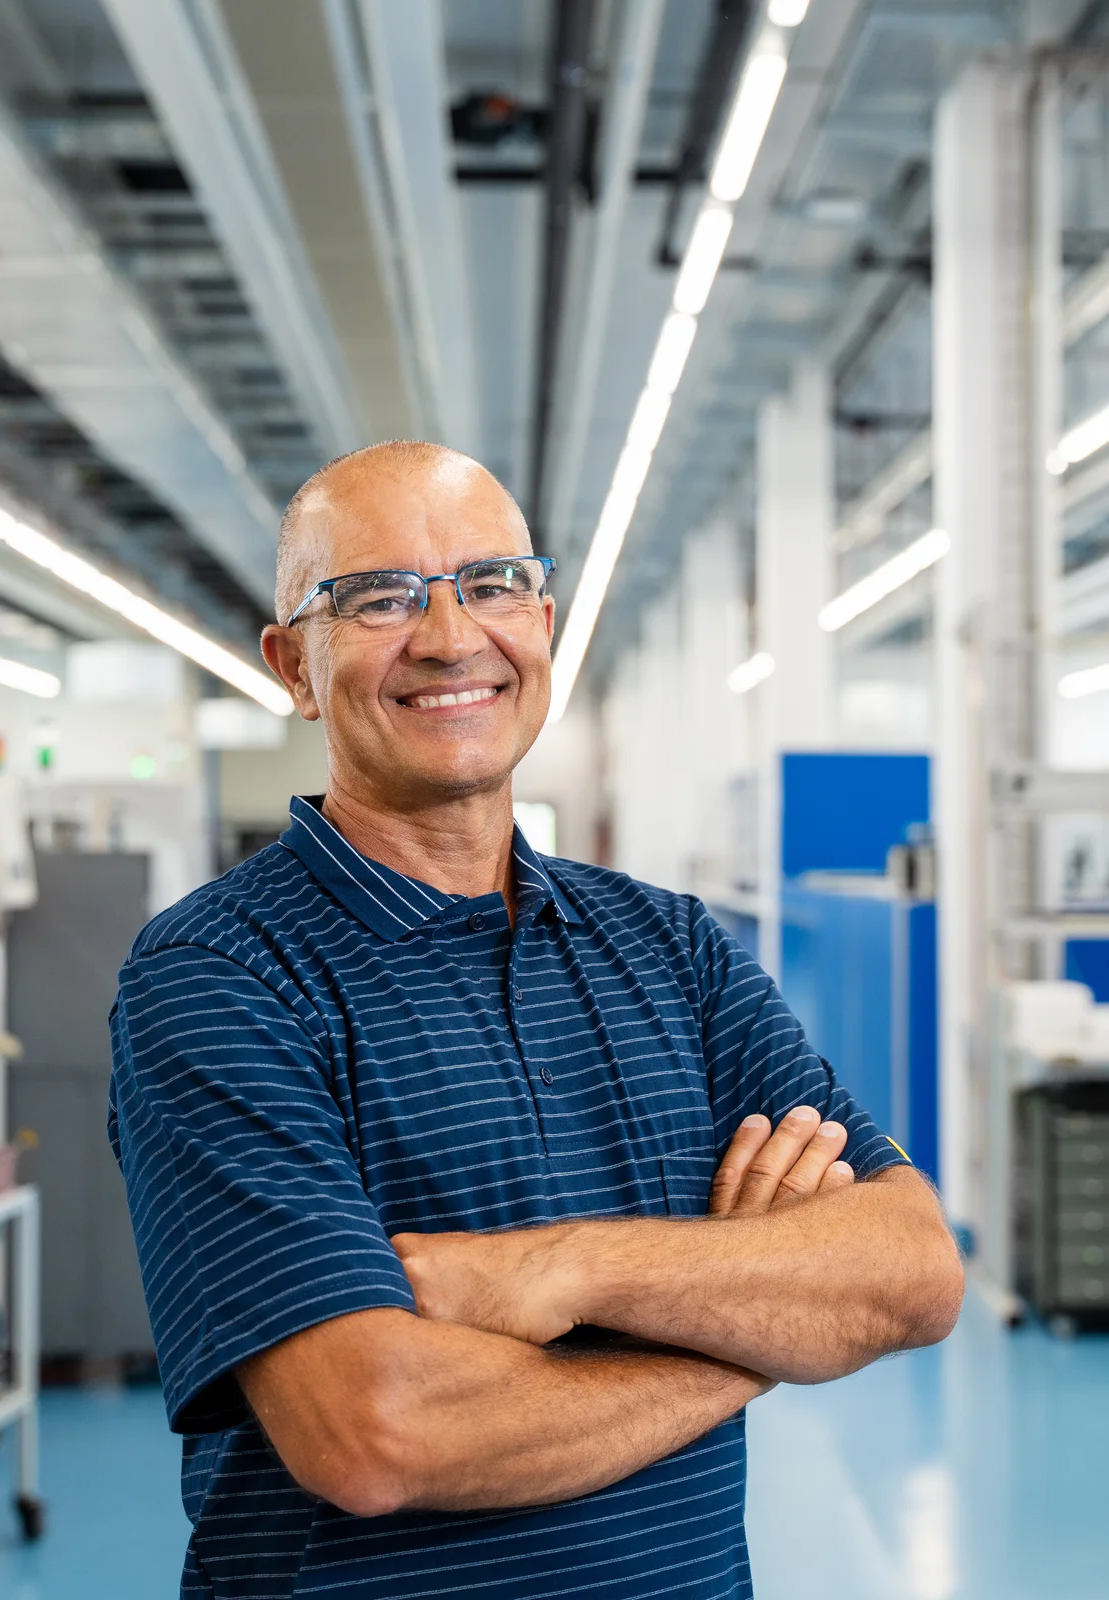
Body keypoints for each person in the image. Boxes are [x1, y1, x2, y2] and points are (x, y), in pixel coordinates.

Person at [107, 441, 964, 1599]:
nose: (450, 636)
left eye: (492, 583)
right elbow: (374, 1431)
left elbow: (912, 1268)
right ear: (294, 666)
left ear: (543, 624)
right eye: (379, 597)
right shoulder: (219, 976)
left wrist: (562, 1269)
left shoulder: (674, 948)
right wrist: (757, 1329)